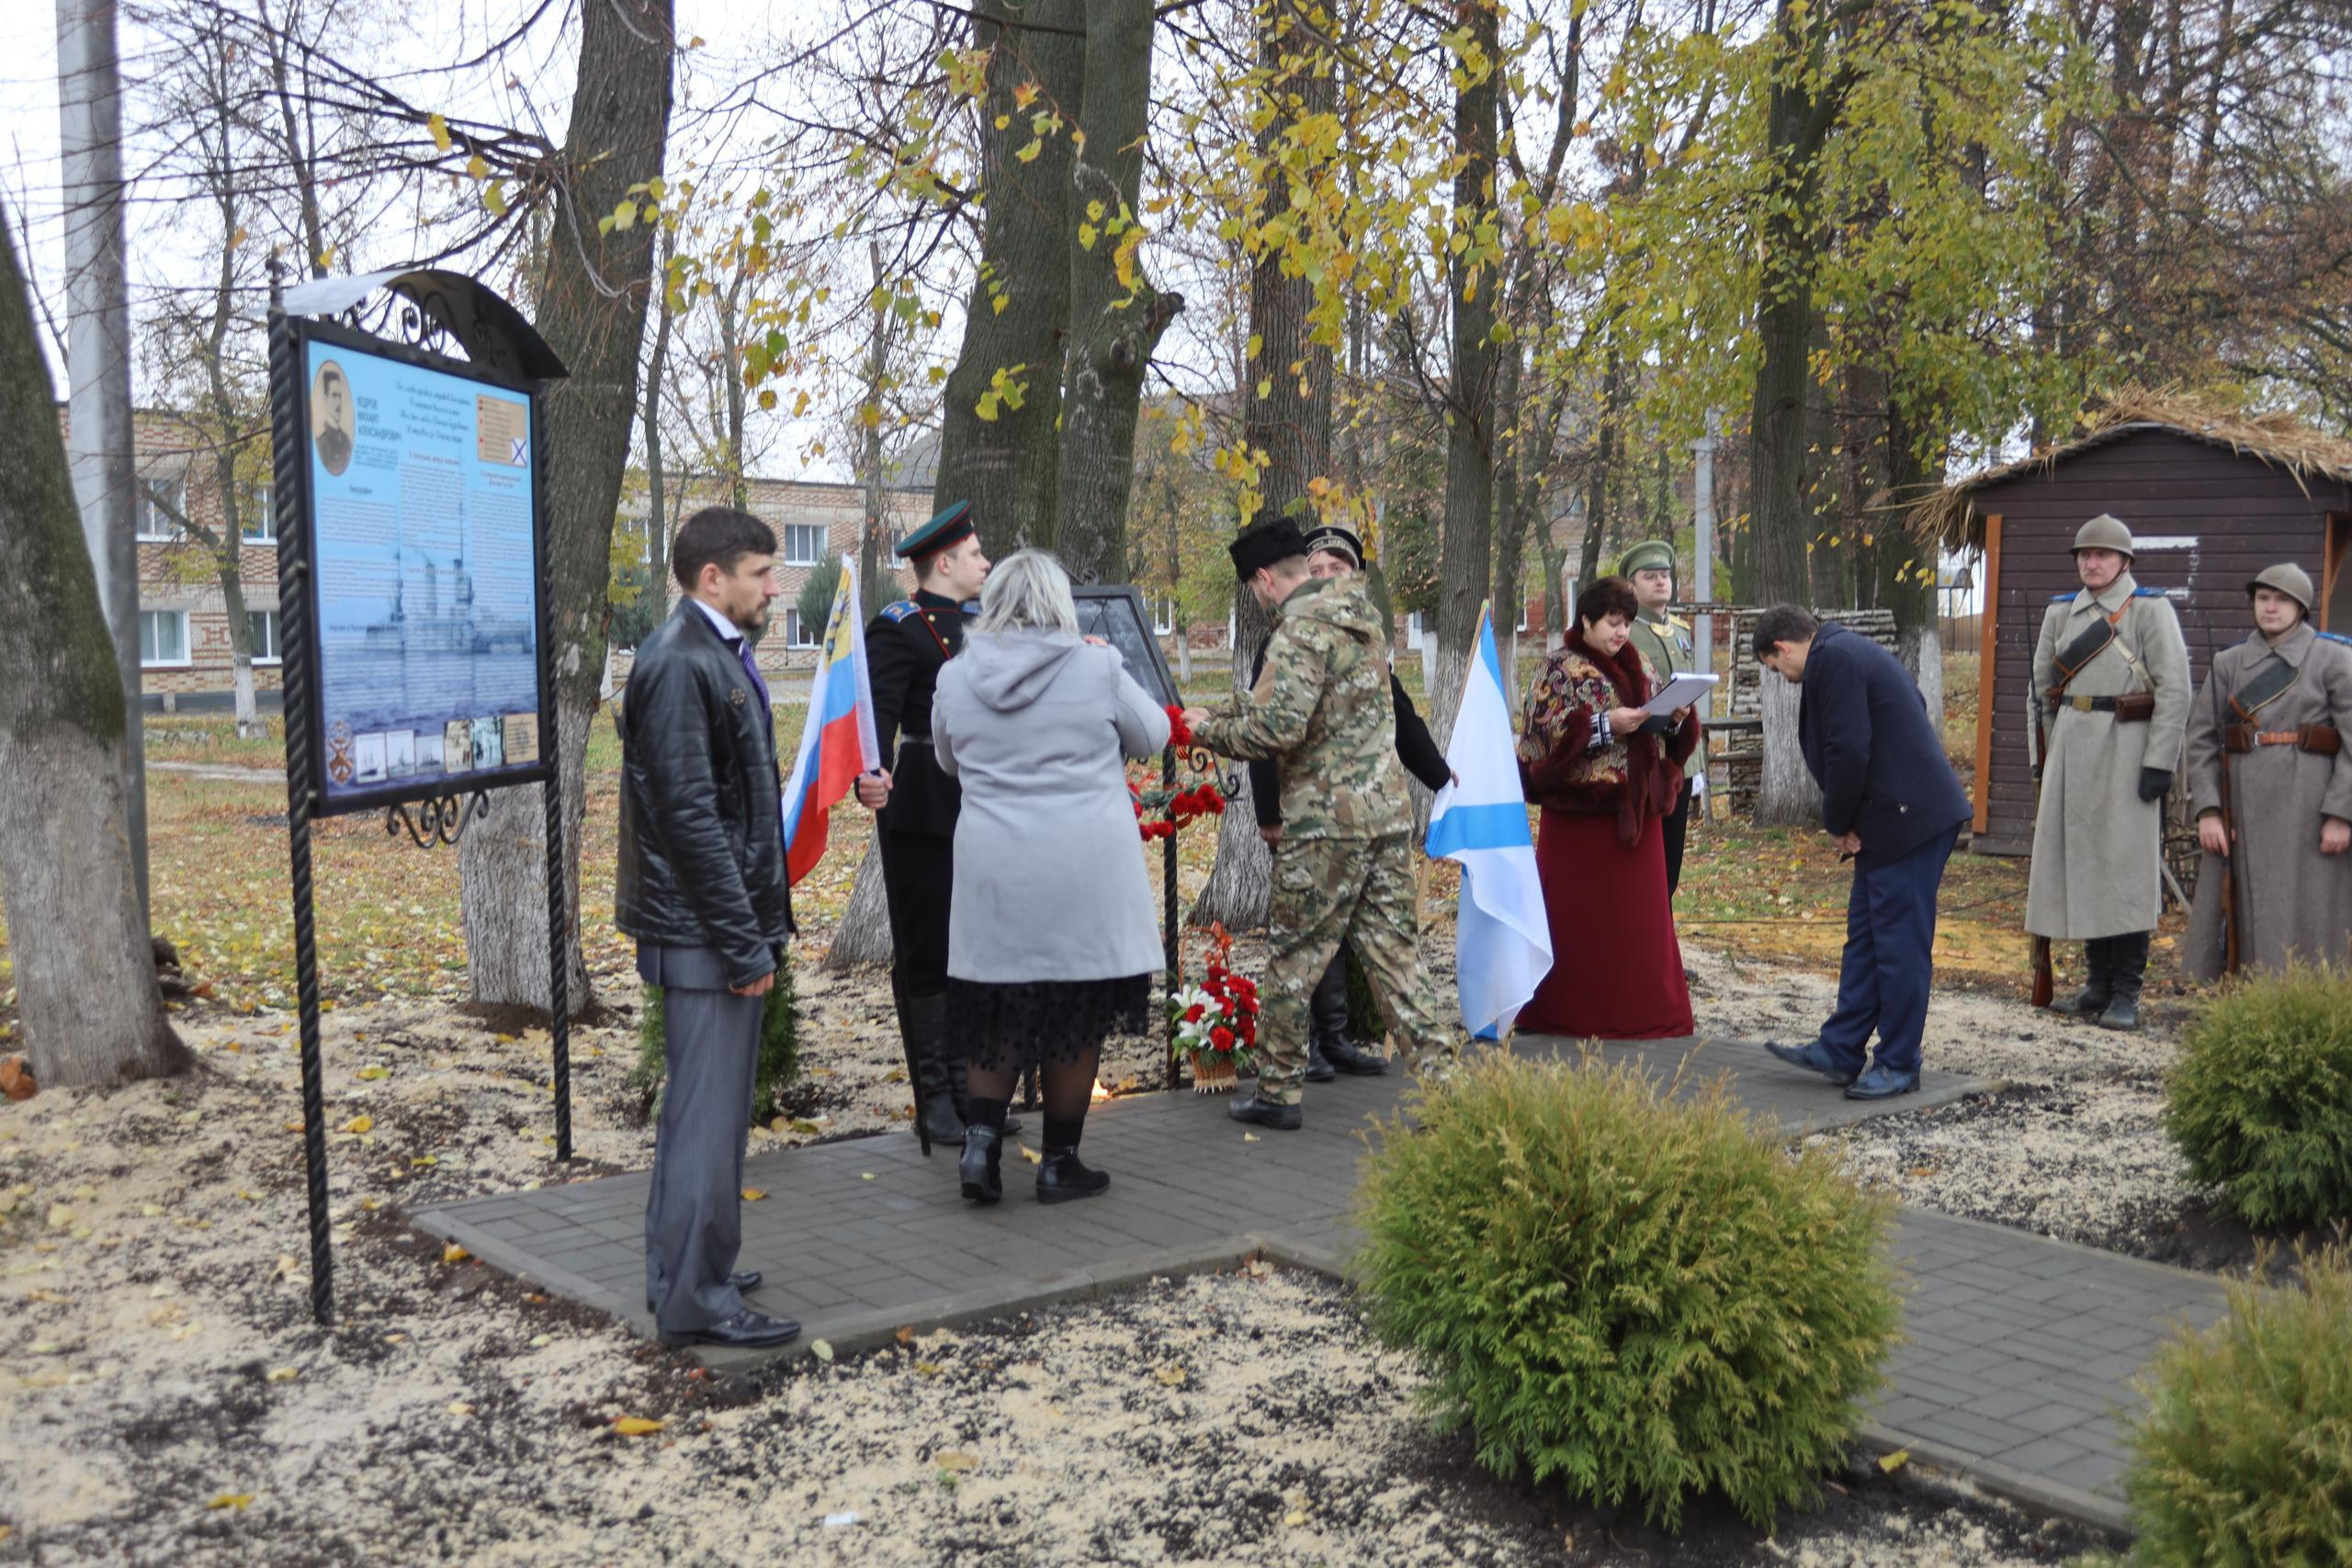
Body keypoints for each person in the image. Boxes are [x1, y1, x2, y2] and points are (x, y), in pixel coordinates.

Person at [1182, 513, 1457, 1130]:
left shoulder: (1298, 629)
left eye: (1254, 593)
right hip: (1383, 816)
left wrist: (1203, 728)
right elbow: (1308, 704)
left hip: (1324, 826)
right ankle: (1447, 1093)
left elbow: (1278, 727)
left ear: (1262, 580)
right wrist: (1226, 709)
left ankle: (1277, 1093)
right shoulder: (1363, 621)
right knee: (1398, 961)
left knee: (1293, 958)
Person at [930, 550, 1170, 1203]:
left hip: (994, 870)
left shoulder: (955, 675)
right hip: (1082, 866)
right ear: (1061, 603)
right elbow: (1151, 736)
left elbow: (948, 759)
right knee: (1074, 1010)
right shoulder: (1096, 664)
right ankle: (1060, 1162)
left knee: (995, 1006)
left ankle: (980, 1147)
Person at [614, 506, 799, 1350]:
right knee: (706, 1118)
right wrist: (742, 938)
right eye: (763, 571)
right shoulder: (680, 660)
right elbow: (690, 819)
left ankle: (685, 1265)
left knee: (704, 1115)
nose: (776, 584)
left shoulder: (709, 650)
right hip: (703, 931)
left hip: (710, 924)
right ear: (711, 577)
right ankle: (696, 1294)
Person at [1239, 520, 1449, 1081]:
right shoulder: (1334, 632)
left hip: (1332, 819)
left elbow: (1394, 718)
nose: (1329, 578)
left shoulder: (1339, 635)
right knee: (1367, 953)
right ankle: (1434, 1081)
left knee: (1303, 952)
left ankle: (1296, 1072)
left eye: (1340, 568)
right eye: (1320, 568)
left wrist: (1444, 776)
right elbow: (1279, 735)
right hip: (1345, 817)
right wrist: (1268, 814)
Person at [1752, 606, 1972, 1100]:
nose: (1782, 678)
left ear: (1782, 648)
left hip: (1908, 820)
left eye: (1774, 668)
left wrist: (1837, 822)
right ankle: (1842, 1047)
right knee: (1868, 939)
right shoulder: (1846, 652)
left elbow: (1848, 749)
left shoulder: (1834, 659)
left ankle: (1898, 1063)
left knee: (1899, 947)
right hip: (1892, 816)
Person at [853, 502, 1016, 1145]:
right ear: (943, 563)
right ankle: (936, 1095)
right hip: (925, 804)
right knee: (929, 952)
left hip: (986, 799)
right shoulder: (900, 626)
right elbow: (876, 718)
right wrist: (868, 775)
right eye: (977, 554)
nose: (987, 563)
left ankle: (973, 1082)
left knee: (977, 947)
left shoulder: (988, 623)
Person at [1513, 576, 1698, 1040]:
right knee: (1577, 923)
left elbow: (1664, 741)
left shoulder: (1640, 665)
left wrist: (1675, 720)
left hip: (1639, 815)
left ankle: (1642, 1013)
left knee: (1636, 927)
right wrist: (1601, 726)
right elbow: (1541, 741)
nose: (1620, 634)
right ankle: (1565, 1013)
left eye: (1626, 624)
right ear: (1586, 620)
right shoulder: (1558, 669)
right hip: (1582, 820)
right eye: (1612, 623)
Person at [2025, 514, 2191, 1031]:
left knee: (2124, 871)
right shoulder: (2060, 614)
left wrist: (2159, 762)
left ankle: (2126, 993)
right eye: (2084, 555)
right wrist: (2048, 760)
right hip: (2073, 750)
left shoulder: (2150, 610)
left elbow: (2175, 689)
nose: (2090, 563)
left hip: (2127, 748)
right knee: (2085, 867)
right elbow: (2041, 693)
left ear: (2124, 561)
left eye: (2101, 555)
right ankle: (2096, 986)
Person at [2182, 563, 2352, 979]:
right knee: (2250, 912)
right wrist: (2208, 810)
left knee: (2314, 912)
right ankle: (2253, 1004)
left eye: (2282, 600)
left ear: (2301, 608)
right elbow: (2201, 739)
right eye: (2263, 598)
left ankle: (2312, 1009)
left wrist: (2341, 813)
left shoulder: (2333, 658)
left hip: (2310, 806)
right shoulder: (2229, 663)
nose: (2270, 607)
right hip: (2242, 809)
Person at [1618, 539, 1700, 896]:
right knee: (1643, 869)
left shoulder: (1681, 630)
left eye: (1664, 575)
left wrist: (1694, 767)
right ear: (1632, 586)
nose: (1660, 582)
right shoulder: (1624, 631)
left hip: (1678, 760)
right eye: (1650, 576)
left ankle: (1663, 940)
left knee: (1671, 865)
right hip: (1642, 757)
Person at [313, 363, 353, 476]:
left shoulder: (346, 440)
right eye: (334, 395)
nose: (338, 402)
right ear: (326, 398)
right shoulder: (321, 444)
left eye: (340, 396)